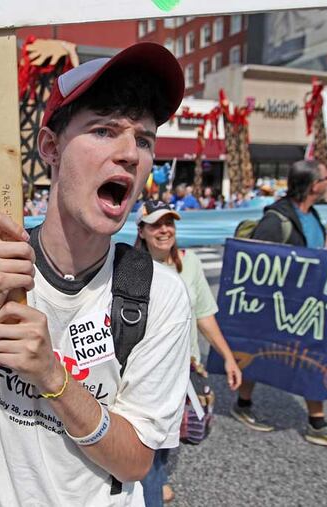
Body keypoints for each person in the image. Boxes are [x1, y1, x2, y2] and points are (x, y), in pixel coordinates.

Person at [0, 42, 191, 506]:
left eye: (144, 139)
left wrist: (53, 378)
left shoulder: (160, 294)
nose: (130, 153)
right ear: (51, 147)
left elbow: (136, 463)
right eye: (105, 130)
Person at [239, 159, 327, 452]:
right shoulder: (277, 220)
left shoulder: (314, 215)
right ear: (312, 184)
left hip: (311, 305)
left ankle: (317, 423)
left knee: (313, 356)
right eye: (324, 177)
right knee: (257, 352)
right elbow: (257, 262)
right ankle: (243, 403)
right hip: (280, 305)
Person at [135, 199, 242, 505]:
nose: (165, 230)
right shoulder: (129, 266)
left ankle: (158, 478)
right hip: (147, 374)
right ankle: (151, 490)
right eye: (156, 224)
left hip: (186, 371)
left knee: (173, 434)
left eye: (169, 223)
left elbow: (204, 315)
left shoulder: (190, 262)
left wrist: (228, 357)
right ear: (141, 231)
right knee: (149, 446)